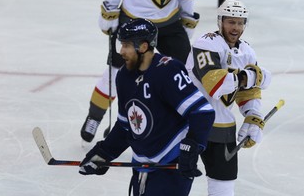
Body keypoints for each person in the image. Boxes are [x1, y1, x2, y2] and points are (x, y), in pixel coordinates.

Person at [79, 19, 215, 196]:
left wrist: (191, 147)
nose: (121, 51)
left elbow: (202, 113)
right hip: (141, 166)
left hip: (171, 164)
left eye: (126, 45)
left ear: (143, 47)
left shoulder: (168, 70)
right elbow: (125, 126)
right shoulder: (123, 76)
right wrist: (104, 153)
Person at [80, 0, 201, 142]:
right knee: (116, 72)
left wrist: (187, 19)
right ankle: (94, 116)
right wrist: (110, 11)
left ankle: (183, 121)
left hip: (168, 22)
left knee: (185, 71)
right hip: (133, 20)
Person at [185, 0, 272, 195]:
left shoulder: (247, 51)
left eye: (240, 23)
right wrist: (249, 75)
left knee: (223, 188)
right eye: (231, 22)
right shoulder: (206, 43)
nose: (236, 28)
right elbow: (215, 84)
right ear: (220, 22)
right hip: (189, 125)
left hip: (222, 128)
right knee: (176, 183)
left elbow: (249, 92)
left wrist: (252, 114)